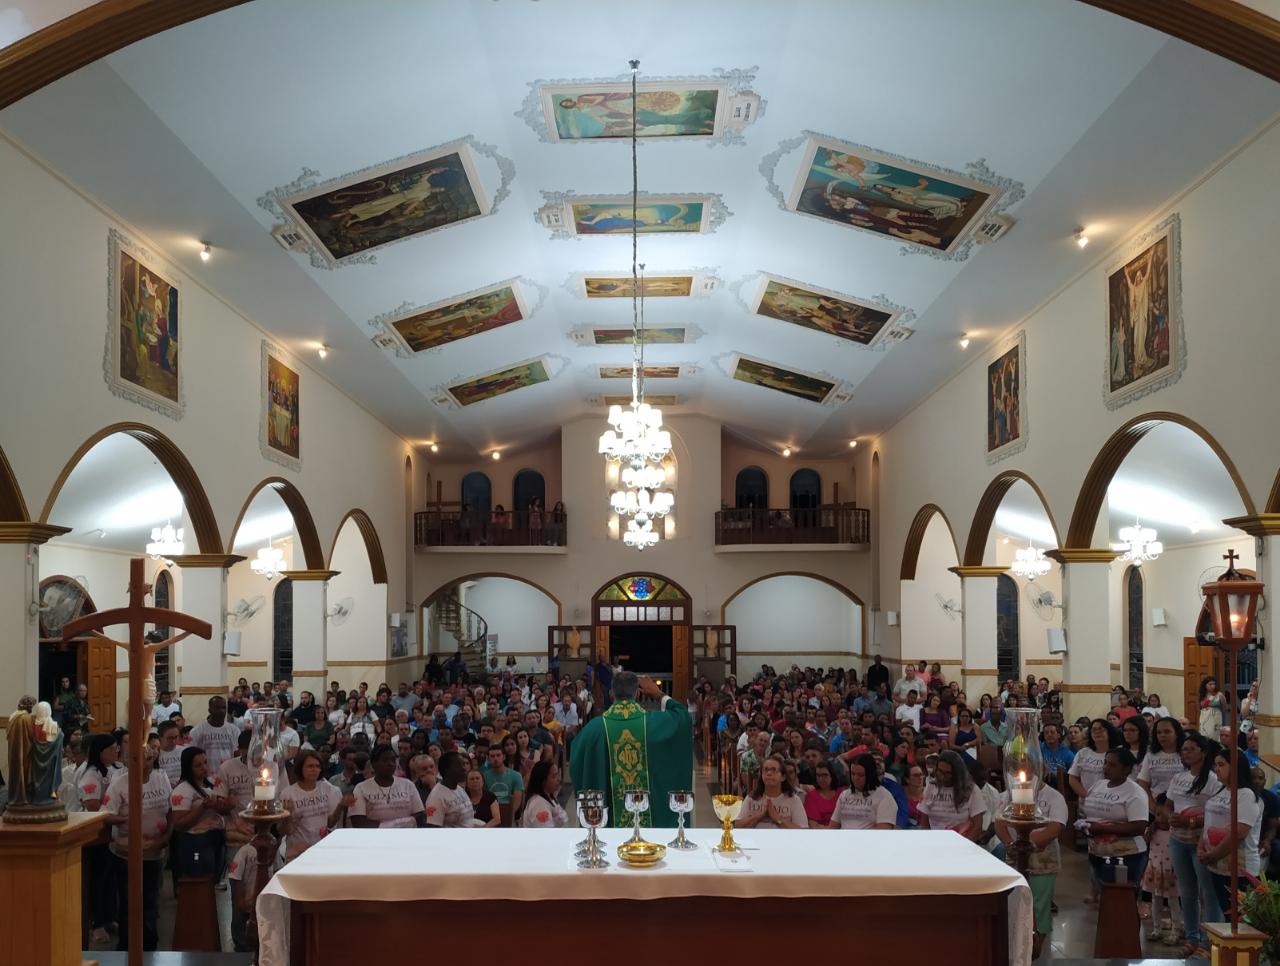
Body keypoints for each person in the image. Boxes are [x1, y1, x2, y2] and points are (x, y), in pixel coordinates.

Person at [570, 671, 692, 828]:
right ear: (638, 694)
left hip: (608, 829)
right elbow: (682, 716)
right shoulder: (654, 723)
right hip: (649, 829)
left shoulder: (594, 729)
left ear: (611, 693)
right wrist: (658, 693)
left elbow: (576, 764)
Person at [994, 763, 1067, 959]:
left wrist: (1027, 845)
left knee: (1039, 904)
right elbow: (999, 822)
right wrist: (1011, 844)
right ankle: (1014, 943)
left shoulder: (1054, 797)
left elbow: (1055, 827)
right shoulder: (1007, 795)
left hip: (1043, 860)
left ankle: (1036, 947)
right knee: (1014, 901)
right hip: (1013, 855)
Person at [102, 747, 171, 951]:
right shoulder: (119, 784)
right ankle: (128, 946)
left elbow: (171, 812)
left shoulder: (161, 778)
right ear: (130, 761)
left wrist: (166, 837)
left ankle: (149, 945)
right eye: (143, 759)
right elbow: (106, 815)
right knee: (130, 901)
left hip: (155, 851)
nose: (148, 763)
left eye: (150, 758)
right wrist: (128, 818)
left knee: (151, 899)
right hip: (127, 853)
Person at [1167, 732, 1223, 955]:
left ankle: (1209, 941)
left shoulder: (1213, 780)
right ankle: (1191, 937)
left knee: (1208, 893)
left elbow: (1217, 814)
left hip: (1202, 841)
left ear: (1203, 752)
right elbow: (1170, 804)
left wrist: (1191, 821)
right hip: (1177, 839)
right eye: (1183, 749)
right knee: (1187, 891)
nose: (1185, 753)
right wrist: (1168, 816)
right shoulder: (1179, 777)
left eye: (1191, 749)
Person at [1199, 746, 1262, 923]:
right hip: (1217, 863)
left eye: (1221, 764)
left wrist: (1214, 854)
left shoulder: (1246, 795)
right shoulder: (1220, 790)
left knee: (1240, 917)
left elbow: (1240, 832)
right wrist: (1201, 846)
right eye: (1215, 765)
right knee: (1226, 912)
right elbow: (1208, 822)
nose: (1216, 769)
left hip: (1239, 867)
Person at [1082, 747, 1149, 885]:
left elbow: (1139, 826)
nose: (1106, 767)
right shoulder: (1099, 785)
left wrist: (1102, 828)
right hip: (1097, 851)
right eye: (1105, 763)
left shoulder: (1135, 793)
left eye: (1112, 765)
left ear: (1126, 769)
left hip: (1125, 855)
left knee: (1120, 899)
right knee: (1104, 898)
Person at [170, 747, 233, 880]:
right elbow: (179, 824)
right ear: (188, 768)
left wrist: (226, 805)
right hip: (195, 841)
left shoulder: (212, 784)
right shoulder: (183, 790)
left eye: (205, 762)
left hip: (215, 836)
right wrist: (202, 808)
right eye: (198, 765)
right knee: (200, 879)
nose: (204, 768)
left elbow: (220, 811)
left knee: (214, 877)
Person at [280, 749, 349, 860]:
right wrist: (287, 817)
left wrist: (340, 806)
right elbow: (286, 831)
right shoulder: (288, 794)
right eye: (310, 766)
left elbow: (330, 823)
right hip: (297, 852)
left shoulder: (327, 789)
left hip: (322, 850)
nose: (314, 770)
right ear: (300, 768)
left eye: (317, 766)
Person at [350, 745, 426, 828]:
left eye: (393, 760)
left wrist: (394, 825)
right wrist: (394, 825)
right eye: (385, 760)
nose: (391, 764)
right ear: (374, 764)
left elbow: (419, 816)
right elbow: (358, 822)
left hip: (405, 835)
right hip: (374, 837)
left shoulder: (408, 785)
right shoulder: (361, 788)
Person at [918, 750, 986, 841]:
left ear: (956, 773)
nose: (942, 776)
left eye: (947, 773)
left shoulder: (971, 789)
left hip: (962, 839)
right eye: (940, 771)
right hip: (935, 839)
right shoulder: (931, 786)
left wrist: (965, 846)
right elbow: (924, 820)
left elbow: (977, 826)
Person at [1143, 794, 1181, 944]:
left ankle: (1175, 931)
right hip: (1155, 871)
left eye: (1162, 815)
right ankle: (1156, 928)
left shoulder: (1175, 832)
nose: (1159, 818)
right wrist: (1149, 829)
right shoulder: (1152, 831)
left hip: (1170, 872)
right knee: (1155, 900)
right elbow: (1145, 840)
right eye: (1157, 814)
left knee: (1173, 901)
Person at [736, 754, 806, 829]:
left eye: (774, 770)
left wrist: (778, 819)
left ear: (783, 777)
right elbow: (737, 825)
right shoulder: (752, 798)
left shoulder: (793, 800)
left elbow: (803, 831)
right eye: (766, 770)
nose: (769, 773)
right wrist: (758, 816)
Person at [828, 753, 896, 829]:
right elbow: (832, 827)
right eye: (853, 774)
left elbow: (883, 833)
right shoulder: (844, 795)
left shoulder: (884, 797)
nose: (855, 778)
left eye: (860, 775)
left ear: (870, 775)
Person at [1069, 719, 1121, 801]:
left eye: (1101, 729)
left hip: (1112, 801)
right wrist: (1087, 796)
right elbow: (1073, 778)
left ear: (1109, 732)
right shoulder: (1083, 753)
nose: (1097, 732)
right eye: (1093, 730)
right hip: (1087, 802)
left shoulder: (1119, 753)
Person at [188, 696, 241, 776]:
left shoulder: (234, 730)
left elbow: (237, 754)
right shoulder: (197, 731)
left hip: (228, 775)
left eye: (223, 708)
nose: (221, 711)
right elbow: (192, 756)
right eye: (217, 708)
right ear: (210, 710)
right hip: (205, 777)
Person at [425, 751, 475, 827]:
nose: (464, 769)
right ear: (447, 770)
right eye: (459, 765)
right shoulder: (436, 797)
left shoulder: (459, 788)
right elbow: (433, 831)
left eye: (464, 765)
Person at [520, 760, 568, 828]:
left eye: (557, 775)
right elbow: (545, 835)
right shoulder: (538, 803)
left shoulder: (549, 797)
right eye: (554, 776)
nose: (558, 779)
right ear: (543, 781)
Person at [482, 741, 524, 819]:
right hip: (490, 814)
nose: (495, 759)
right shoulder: (484, 776)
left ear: (504, 757)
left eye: (498, 755)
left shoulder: (516, 776)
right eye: (492, 756)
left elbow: (517, 802)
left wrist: (508, 815)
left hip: (509, 813)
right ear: (488, 758)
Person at [804, 758, 844, 828]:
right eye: (818, 775)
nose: (821, 779)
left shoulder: (843, 793)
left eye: (824, 775)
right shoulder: (811, 796)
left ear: (832, 775)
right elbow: (813, 825)